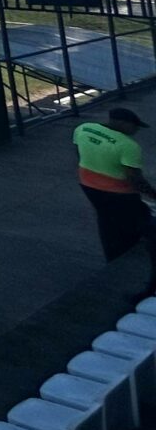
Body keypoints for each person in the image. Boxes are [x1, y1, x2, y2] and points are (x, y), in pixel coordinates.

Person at [74, 106, 156, 297]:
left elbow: (80, 154)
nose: (136, 131)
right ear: (122, 123)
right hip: (120, 194)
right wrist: (153, 195)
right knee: (143, 223)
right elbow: (135, 179)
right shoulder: (128, 146)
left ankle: (112, 258)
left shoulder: (84, 128)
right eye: (134, 126)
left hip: (89, 186)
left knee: (106, 221)